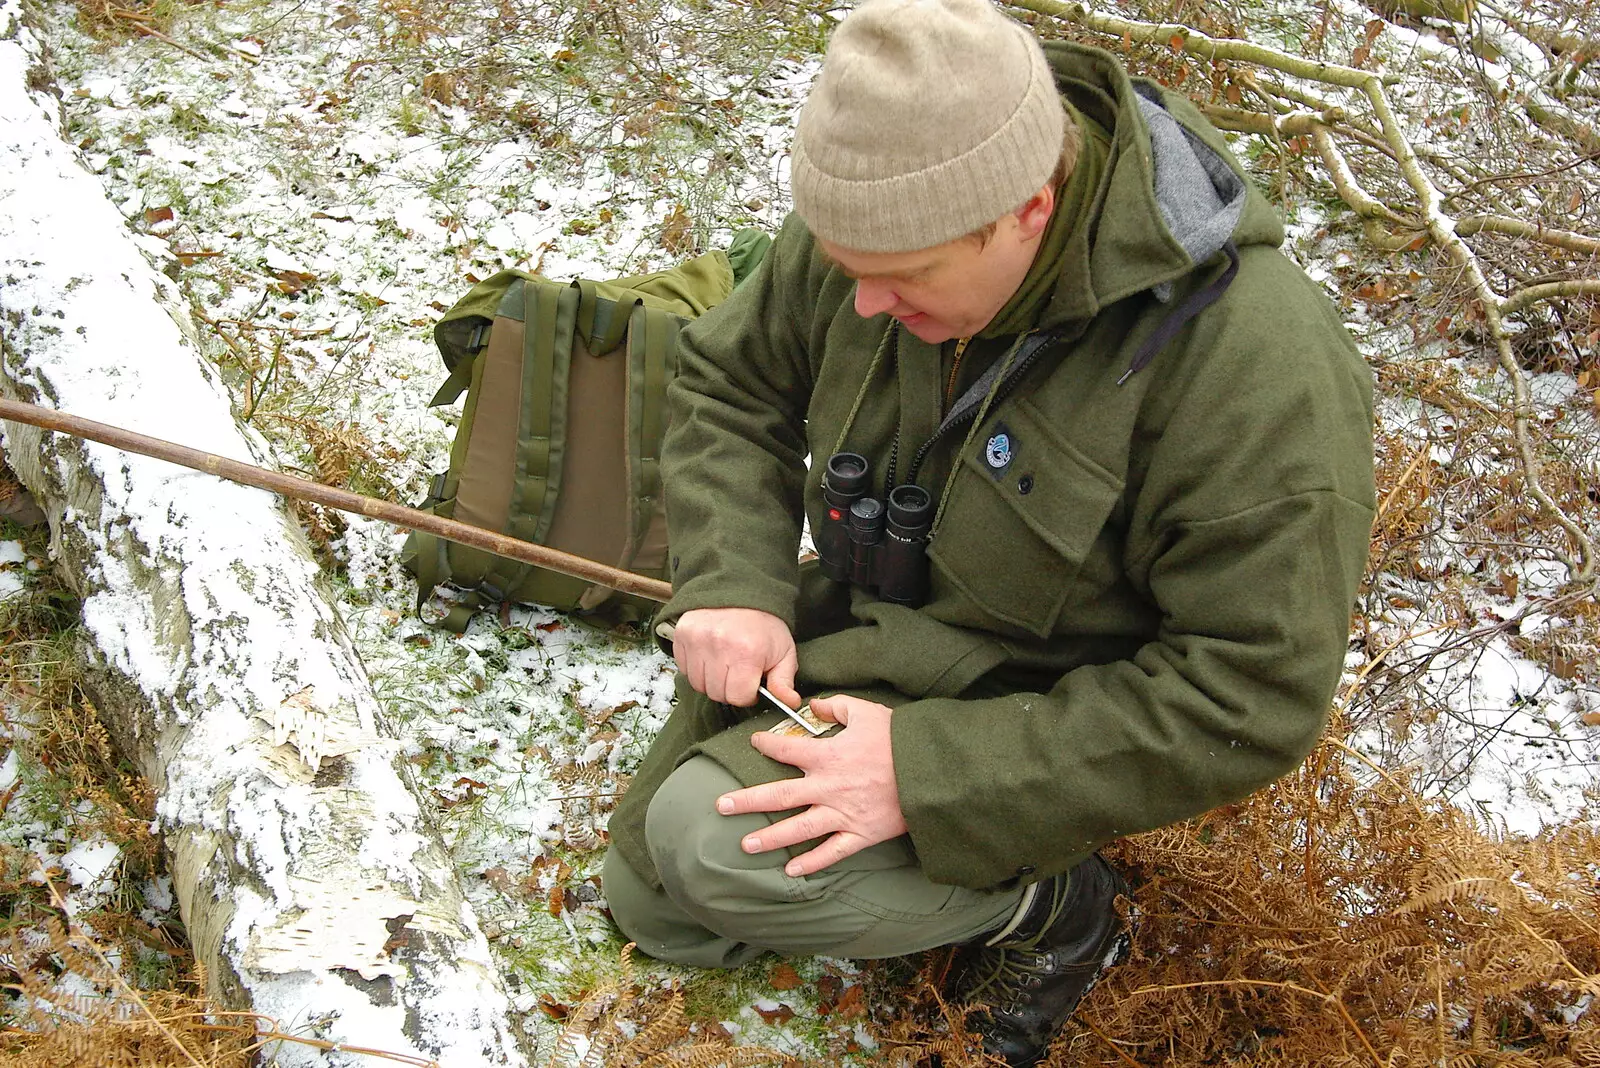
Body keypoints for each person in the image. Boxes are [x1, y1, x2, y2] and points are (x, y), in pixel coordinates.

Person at [601, 0, 1375, 1062]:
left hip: (1044, 712)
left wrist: (926, 774)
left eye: (904, 277)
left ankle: (1057, 909)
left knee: (710, 852)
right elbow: (733, 383)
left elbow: (1250, 690)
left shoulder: (1252, 365)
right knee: (655, 903)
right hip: (875, 632)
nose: (862, 303)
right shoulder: (891, 204)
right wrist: (732, 580)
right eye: (844, 263)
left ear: (1026, 209)